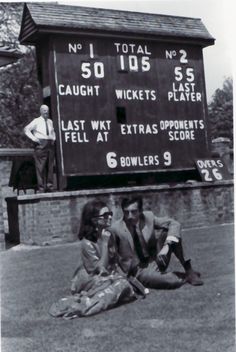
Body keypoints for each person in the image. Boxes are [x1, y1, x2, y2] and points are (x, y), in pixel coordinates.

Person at [49, 199, 146, 319]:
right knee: (121, 285)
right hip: (90, 279)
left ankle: (99, 298)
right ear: (94, 220)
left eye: (110, 214)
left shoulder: (108, 235)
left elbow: (114, 263)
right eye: (105, 215)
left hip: (105, 277)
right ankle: (85, 306)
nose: (110, 217)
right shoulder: (87, 243)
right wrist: (105, 244)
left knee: (123, 283)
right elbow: (101, 269)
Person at [111, 196, 203, 290]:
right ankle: (184, 277)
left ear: (140, 210)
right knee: (172, 282)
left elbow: (174, 224)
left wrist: (166, 246)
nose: (130, 216)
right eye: (126, 212)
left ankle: (189, 270)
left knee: (171, 233)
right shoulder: (116, 229)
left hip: (157, 259)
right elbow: (112, 256)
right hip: (139, 270)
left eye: (133, 212)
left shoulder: (148, 217)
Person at [24, 104, 56, 193]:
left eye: (47, 110)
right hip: (41, 144)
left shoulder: (50, 121)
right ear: (41, 111)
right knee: (40, 167)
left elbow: (53, 131)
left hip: (50, 144)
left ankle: (50, 186)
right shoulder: (36, 121)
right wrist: (34, 139)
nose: (47, 112)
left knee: (50, 167)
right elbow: (26, 129)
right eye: (45, 110)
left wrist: (53, 139)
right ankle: (41, 188)